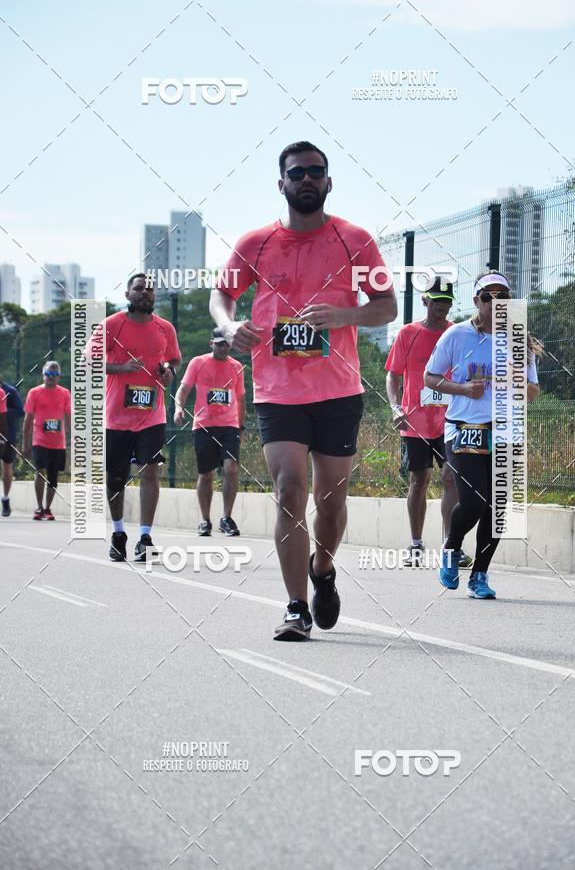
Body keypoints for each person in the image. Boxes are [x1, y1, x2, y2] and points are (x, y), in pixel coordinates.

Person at [210, 140, 397, 640]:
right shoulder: (255, 244)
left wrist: (344, 316)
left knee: (331, 503)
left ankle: (323, 570)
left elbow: (387, 306)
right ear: (282, 184)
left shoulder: (354, 239)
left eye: (317, 171)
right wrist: (229, 328)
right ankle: (295, 607)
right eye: (298, 173)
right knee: (289, 492)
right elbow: (221, 296)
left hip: (337, 391)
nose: (307, 179)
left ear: (329, 182)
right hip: (277, 391)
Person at [424, 270, 541, 598]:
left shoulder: (519, 338)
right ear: (476, 302)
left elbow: (533, 391)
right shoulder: (457, 336)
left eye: (502, 297)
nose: (495, 302)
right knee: (474, 501)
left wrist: (515, 383)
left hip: (505, 429)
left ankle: (479, 576)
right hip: (465, 428)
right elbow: (430, 378)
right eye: (487, 297)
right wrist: (462, 388)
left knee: (499, 507)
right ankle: (451, 547)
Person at [89, 271, 181, 562]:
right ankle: (118, 533)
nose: (145, 293)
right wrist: (122, 368)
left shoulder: (165, 328)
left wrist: (169, 371)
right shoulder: (111, 325)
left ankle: (145, 537)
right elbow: (89, 362)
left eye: (150, 290)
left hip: (152, 414)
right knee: (116, 478)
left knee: (150, 470)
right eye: (139, 289)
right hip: (116, 416)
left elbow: (174, 358)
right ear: (127, 295)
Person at [386, 278, 471, 568]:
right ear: (425, 302)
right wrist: (395, 406)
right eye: (437, 302)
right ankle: (416, 543)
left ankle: (451, 545)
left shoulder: (458, 333)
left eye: (447, 302)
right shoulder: (407, 333)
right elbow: (393, 374)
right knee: (419, 480)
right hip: (416, 421)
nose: (442, 308)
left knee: (451, 477)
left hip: (451, 420)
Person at [174, 330, 246, 537]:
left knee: (230, 468)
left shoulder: (236, 367)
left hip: (229, 426)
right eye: (219, 344)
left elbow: (241, 400)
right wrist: (179, 408)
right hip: (204, 426)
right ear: (211, 343)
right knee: (206, 474)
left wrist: (241, 427)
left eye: (227, 344)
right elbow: (183, 390)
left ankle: (226, 518)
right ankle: (205, 520)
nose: (223, 348)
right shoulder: (198, 363)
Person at [22, 361, 71, 520]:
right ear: (43, 375)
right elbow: (28, 419)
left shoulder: (64, 393)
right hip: (39, 441)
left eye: (54, 375)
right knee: (40, 472)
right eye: (48, 374)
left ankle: (48, 509)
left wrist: (73, 439)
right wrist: (25, 443)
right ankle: (39, 507)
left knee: (53, 476)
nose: (51, 377)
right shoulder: (34, 393)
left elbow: (69, 416)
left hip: (58, 443)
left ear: (59, 377)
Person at [0, 375, 24, 517]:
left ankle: (5, 498)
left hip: (8, 436)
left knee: (7, 467)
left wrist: (3, 411)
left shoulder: (10, 391)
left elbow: (20, 411)